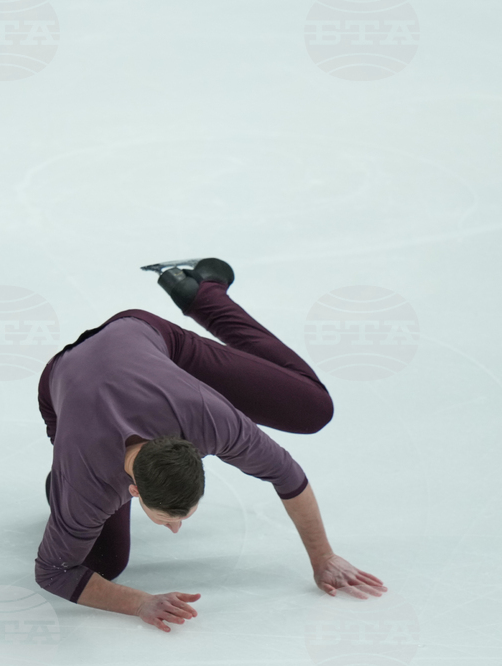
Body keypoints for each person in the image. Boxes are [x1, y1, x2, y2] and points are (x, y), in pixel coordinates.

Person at [34, 258, 386, 632]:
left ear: (196, 454)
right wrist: (141, 603)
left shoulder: (210, 420)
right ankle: (56, 489)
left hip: (147, 340)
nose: (175, 529)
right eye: (170, 518)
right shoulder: (89, 483)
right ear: (132, 490)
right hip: (62, 384)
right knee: (103, 564)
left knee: (312, 408)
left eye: (180, 516)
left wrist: (323, 557)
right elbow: (52, 573)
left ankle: (202, 292)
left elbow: (288, 476)